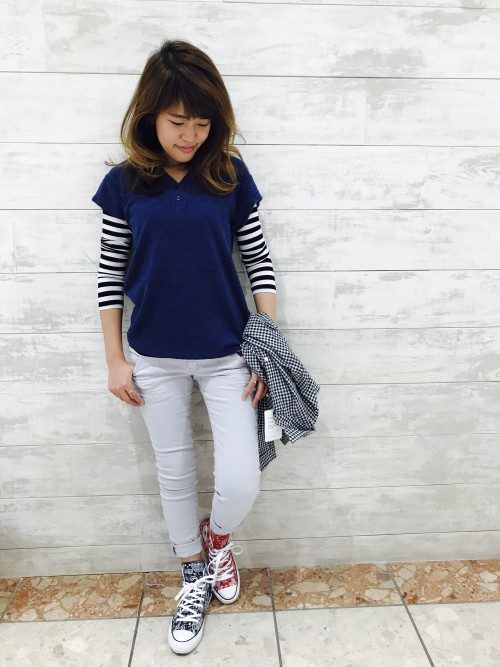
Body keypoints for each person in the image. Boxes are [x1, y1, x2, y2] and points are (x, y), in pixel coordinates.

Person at [91, 39, 277, 655]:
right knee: (174, 474)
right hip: (153, 359)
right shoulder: (124, 184)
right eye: (177, 122)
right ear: (149, 115)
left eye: (202, 122)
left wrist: (266, 347)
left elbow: (259, 264)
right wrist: (115, 360)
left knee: (241, 477)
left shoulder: (229, 175)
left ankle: (217, 539)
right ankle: (192, 572)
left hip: (229, 356)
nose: (190, 135)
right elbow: (110, 275)